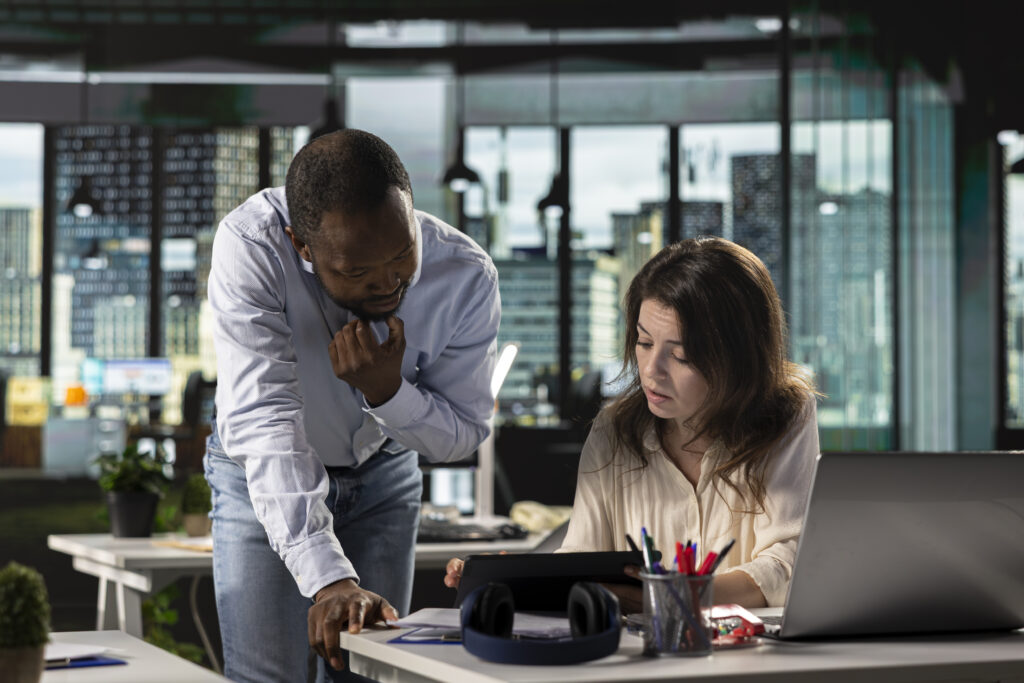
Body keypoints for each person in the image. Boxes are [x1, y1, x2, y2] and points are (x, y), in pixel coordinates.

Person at [205, 128, 500, 682]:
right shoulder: (252, 245)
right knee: (269, 677)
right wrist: (329, 578)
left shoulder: (465, 274)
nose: (389, 282)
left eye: (401, 254)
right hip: (260, 475)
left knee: (371, 675)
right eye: (357, 271)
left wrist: (389, 392)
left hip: (383, 477)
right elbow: (265, 420)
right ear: (302, 246)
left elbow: (461, 434)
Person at [445, 236, 818, 610]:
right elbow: (582, 554)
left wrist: (672, 596)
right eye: (643, 342)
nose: (652, 371)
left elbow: (787, 563)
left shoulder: (785, 415)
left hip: (751, 658)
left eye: (682, 355)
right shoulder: (613, 430)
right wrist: (525, 578)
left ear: (738, 356)